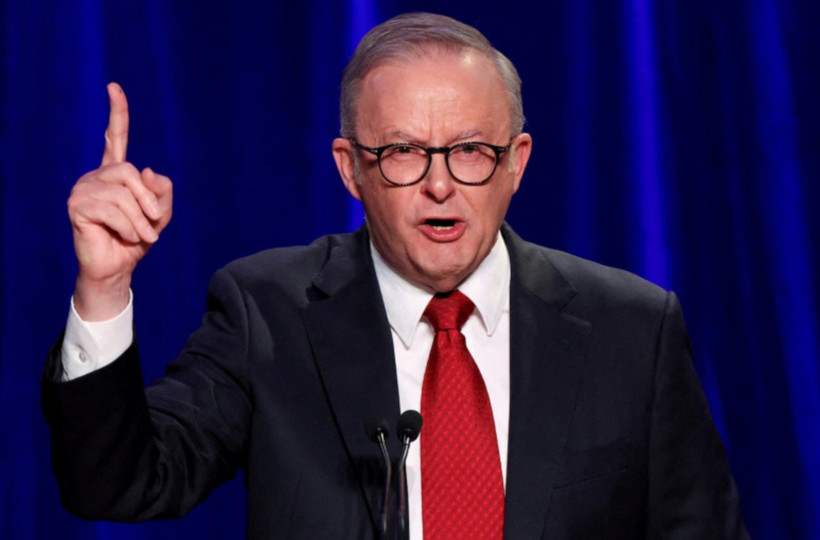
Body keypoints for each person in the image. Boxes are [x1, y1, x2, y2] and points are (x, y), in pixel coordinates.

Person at [42, 12, 749, 540]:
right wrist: (103, 288)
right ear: (350, 168)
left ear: (517, 162)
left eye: (471, 150)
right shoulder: (267, 313)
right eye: (405, 152)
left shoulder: (632, 327)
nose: (440, 185)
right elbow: (120, 484)